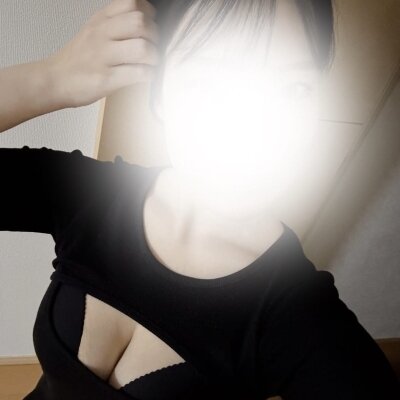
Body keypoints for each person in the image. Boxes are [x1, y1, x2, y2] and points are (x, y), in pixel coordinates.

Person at [1, 0, 399, 399]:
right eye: (209, 81)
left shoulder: (294, 311)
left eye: (293, 89)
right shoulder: (93, 197)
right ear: (160, 94)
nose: (250, 125)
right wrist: (50, 80)